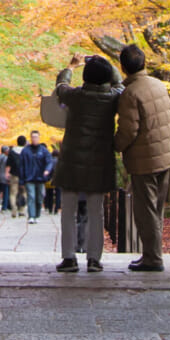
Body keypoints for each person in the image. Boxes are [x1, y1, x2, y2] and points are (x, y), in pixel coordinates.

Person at [51, 54, 122, 272]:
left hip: (72, 160)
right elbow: (120, 83)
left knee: (69, 210)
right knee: (96, 211)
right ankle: (94, 259)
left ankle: (69, 258)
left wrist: (71, 66)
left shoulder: (75, 96)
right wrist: (106, 63)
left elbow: (61, 85)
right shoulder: (113, 97)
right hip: (100, 161)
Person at [114, 43, 170, 272]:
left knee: (145, 210)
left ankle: (153, 257)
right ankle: (151, 253)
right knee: (157, 209)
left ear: (123, 67)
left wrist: (114, 145)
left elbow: (128, 130)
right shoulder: (159, 85)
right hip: (165, 156)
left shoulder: (130, 93)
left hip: (144, 160)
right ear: (144, 63)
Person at [17, 133, 49, 221]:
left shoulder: (43, 150)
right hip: (29, 178)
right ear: (31, 138)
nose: (34, 139)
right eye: (33, 137)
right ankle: (31, 216)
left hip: (40, 178)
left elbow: (49, 162)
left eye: (36, 137)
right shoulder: (25, 151)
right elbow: (21, 166)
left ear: (39, 138)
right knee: (31, 196)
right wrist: (21, 180)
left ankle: (37, 215)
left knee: (39, 198)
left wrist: (47, 170)